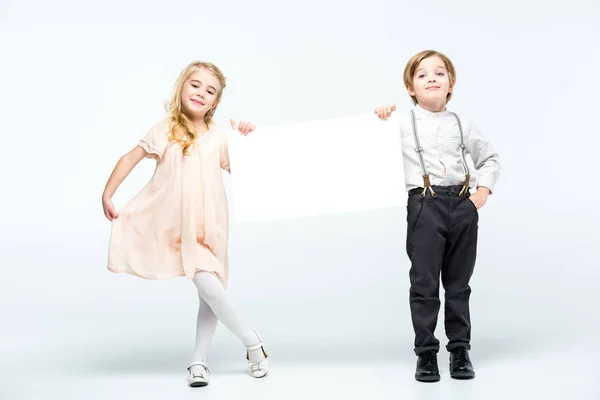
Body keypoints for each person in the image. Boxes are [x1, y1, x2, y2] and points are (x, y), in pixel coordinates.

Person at [101, 61, 269, 387]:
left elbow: (250, 170)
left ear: (216, 102)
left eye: (210, 91)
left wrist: (247, 139)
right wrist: (108, 194)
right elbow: (130, 158)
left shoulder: (220, 136)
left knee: (211, 295)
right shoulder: (167, 129)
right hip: (177, 231)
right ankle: (252, 342)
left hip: (212, 229)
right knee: (210, 288)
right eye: (195, 85)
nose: (200, 93)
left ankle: (198, 361)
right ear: (182, 87)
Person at [374, 50, 501, 382]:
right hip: (424, 206)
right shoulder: (400, 122)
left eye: (439, 73)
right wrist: (381, 117)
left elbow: (489, 159)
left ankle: (459, 349)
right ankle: (426, 353)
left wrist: (480, 195)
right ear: (410, 88)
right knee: (424, 283)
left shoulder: (463, 123)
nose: (431, 78)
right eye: (422, 74)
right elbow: (369, 146)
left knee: (458, 285)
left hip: (461, 204)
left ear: (451, 83)